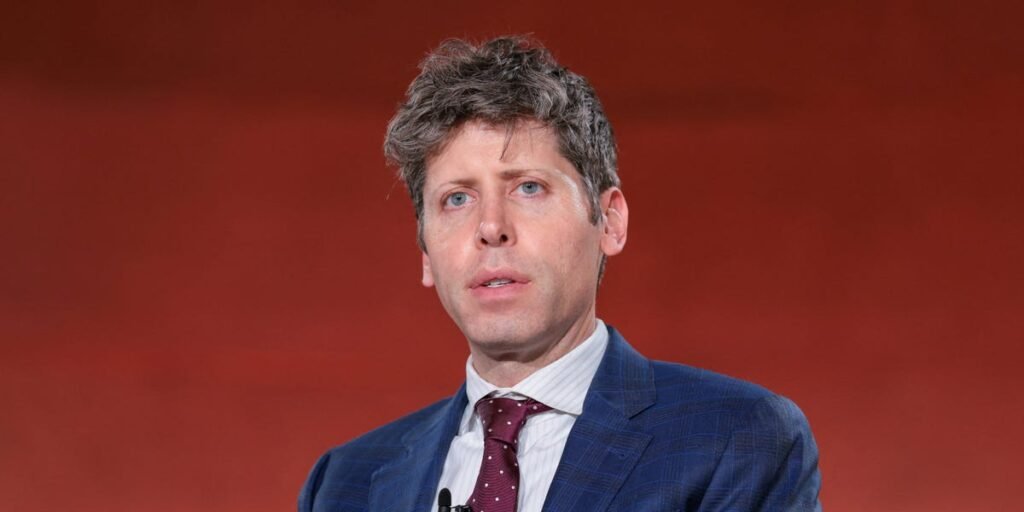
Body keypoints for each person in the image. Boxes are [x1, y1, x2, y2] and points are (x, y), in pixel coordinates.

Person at [299, 36, 821, 512]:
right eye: (456, 199)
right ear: (425, 255)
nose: (491, 227)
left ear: (609, 222)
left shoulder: (736, 439)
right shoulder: (344, 484)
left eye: (528, 188)